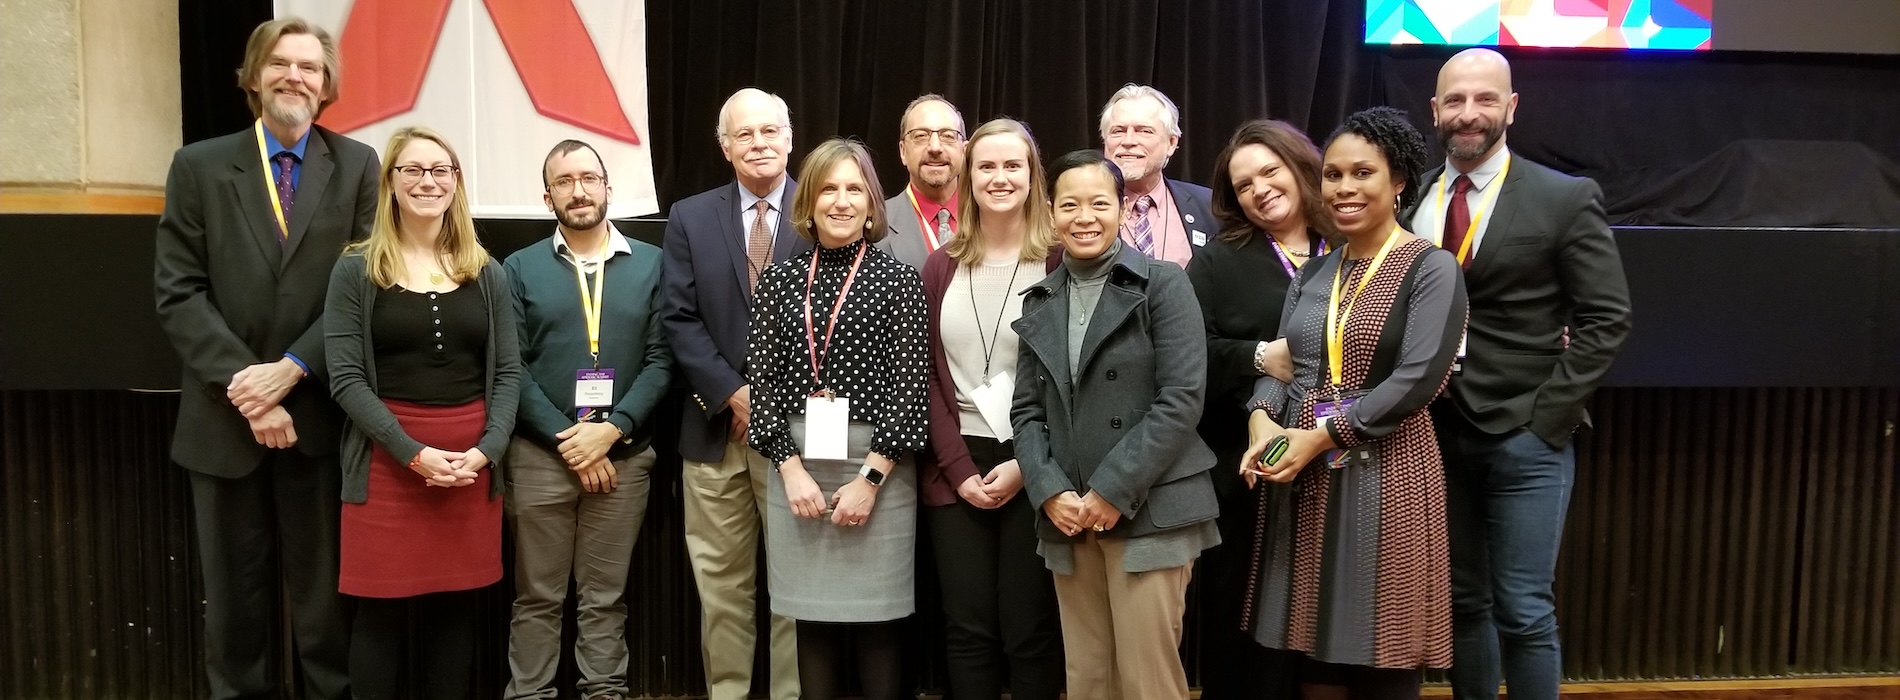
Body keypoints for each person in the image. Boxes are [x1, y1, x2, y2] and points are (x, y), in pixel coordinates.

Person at [151, 17, 376, 700]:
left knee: (324, 609)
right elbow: (177, 292)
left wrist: (290, 372)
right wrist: (249, 389)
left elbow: (363, 286)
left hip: (318, 420)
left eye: (310, 68)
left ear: (327, 84)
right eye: (280, 64)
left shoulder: (359, 164)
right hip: (223, 426)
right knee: (234, 608)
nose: (295, 78)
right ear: (252, 77)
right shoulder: (199, 165)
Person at [1410, 48, 1632, 700]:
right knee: (1463, 603)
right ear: (1436, 110)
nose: (1469, 113)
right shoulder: (1414, 196)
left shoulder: (1564, 199)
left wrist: (1547, 420)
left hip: (1524, 440)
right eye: (1455, 100)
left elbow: (1607, 319)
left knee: (1525, 609)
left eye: (1484, 99)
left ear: (1511, 107)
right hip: (1435, 438)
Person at [1239, 106, 1466, 700]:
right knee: (1315, 651)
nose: (1343, 188)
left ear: (1397, 182)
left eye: (1361, 173)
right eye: (1333, 174)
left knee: (1380, 649)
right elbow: (1286, 367)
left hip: (1386, 474)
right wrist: (1263, 422)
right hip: (1308, 477)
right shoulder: (1313, 273)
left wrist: (1323, 435)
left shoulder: (1430, 267)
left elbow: (1418, 380)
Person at [1012, 149, 1219, 700]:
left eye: (1099, 203)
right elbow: (1026, 412)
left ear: (1123, 208)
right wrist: (1049, 490)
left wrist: (1110, 489)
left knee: (1146, 679)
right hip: (1068, 515)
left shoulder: (1163, 282)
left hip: (1148, 509)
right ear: (1050, 211)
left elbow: (1181, 399)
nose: (1085, 217)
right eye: (1070, 204)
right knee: (1087, 677)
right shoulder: (1041, 298)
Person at [323, 126, 522, 700]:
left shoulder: (487, 271)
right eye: (412, 170)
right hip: (386, 468)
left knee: (456, 616)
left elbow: (507, 373)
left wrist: (486, 453)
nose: (427, 181)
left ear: (456, 184)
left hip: (470, 469)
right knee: (379, 617)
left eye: (441, 170)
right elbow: (346, 378)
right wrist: (413, 455)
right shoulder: (355, 270)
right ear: (390, 183)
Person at [745, 137, 930, 700]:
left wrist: (870, 481)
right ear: (809, 201)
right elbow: (765, 386)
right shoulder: (778, 282)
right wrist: (789, 469)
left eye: (855, 188)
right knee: (812, 623)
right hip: (796, 468)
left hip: (881, 470)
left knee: (879, 626)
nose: (842, 201)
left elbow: (911, 392)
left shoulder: (900, 281)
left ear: (873, 203)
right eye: (829, 188)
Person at [502, 139, 674, 700]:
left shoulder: (652, 262)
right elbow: (511, 368)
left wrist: (612, 429)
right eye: (564, 181)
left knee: (604, 597)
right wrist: (571, 443)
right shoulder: (519, 268)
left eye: (588, 178)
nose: (578, 191)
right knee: (537, 596)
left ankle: (605, 692)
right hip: (538, 456)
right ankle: (530, 694)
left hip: (623, 457)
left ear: (607, 187)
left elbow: (662, 360)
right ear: (546, 194)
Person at [659, 87, 807, 700]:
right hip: (716, 431)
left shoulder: (823, 206)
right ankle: (727, 692)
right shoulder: (690, 216)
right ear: (725, 147)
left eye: (770, 131)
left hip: (800, 439)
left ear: (790, 138)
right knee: (721, 585)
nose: (759, 143)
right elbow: (678, 318)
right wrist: (733, 393)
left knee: (795, 586)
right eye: (744, 134)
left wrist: (773, 402)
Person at [1184, 118, 1335, 700]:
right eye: (1244, 185)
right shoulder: (1221, 260)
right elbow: (1189, 351)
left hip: (1339, 457)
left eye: (1269, 171)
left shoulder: (1353, 245)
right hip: (1242, 468)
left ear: (1300, 167)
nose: (1259, 189)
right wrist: (1256, 356)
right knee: (1238, 610)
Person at [919, 118, 1064, 700]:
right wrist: (958, 469)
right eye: (986, 166)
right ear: (966, 176)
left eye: (1013, 166)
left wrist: (1027, 466)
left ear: (1033, 177)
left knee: (1030, 629)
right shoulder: (941, 266)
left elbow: (1070, 380)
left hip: (1041, 461)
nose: (999, 178)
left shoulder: (1060, 262)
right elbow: (926, 379)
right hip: (956, 463)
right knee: (968, 628)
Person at [1098, 83, 1215, 267]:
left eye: (1144, 131)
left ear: (1171, 143)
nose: (1128, 141)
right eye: (1118, 131)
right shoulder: (1080, 211)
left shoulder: (1209, 206)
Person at [879, 94, 967, 268]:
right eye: (921, 136)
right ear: (903, 151)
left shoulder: (993, 220)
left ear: (965, 151)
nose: (935, 147)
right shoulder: (875, 225)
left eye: (948, 136)